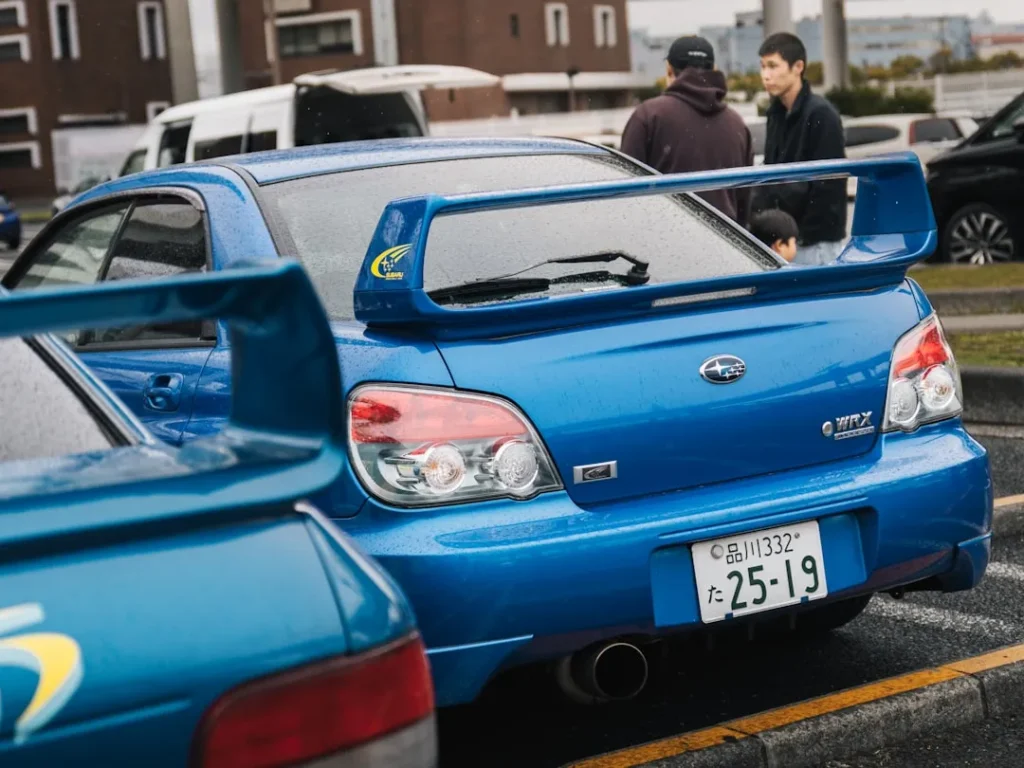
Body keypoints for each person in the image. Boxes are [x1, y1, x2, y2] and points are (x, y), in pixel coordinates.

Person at [620, 36, 754, 225]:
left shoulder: (648, 116)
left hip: (664, 242)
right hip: (725, 244)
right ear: (714, 69)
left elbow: (625, 193)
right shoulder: (737, 124)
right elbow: (744, 202)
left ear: (669, 69)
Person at [753, 32, 847, 265]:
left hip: (814, 243)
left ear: (798, 67)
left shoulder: (821, 114)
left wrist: (799, 235)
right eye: (763, 66)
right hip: (784, 241)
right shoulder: (775, 113)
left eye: (773, 66)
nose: (766, 75)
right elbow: (771, 175)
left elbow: (829, 185)